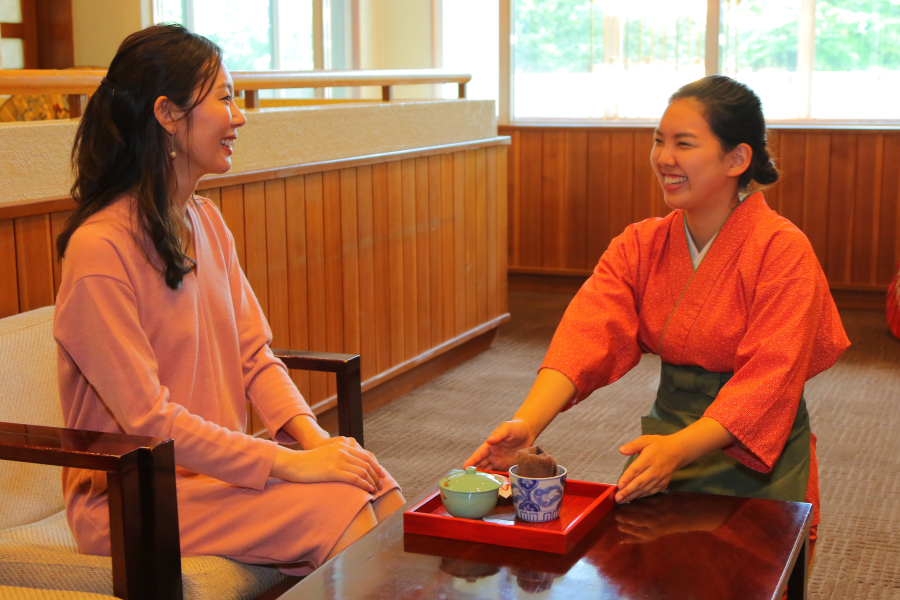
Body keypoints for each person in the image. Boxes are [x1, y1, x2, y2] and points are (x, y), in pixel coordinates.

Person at [54, 24, 404, 576]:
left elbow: (254, 357)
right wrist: (287, 466)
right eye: (225, 97)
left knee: (372, 483)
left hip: (208, 477)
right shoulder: (100, 249)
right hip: (129, 498)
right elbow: (149, 419)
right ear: (168, 115)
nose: (239, 117)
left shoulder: (206, 221)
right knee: (339, 504)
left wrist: (317, 444)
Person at [466, 75, 849, 553]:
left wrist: (680, 449)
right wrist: (527, 423)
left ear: (737, 158)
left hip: (756, 450)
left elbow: (773, 375)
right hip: (666, 440)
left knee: (748, 574)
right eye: (659, 141)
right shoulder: (641, 244)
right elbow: (588, 333)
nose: (664, 157)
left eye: (683, 143)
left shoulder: (782, 250)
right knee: (643, 568)